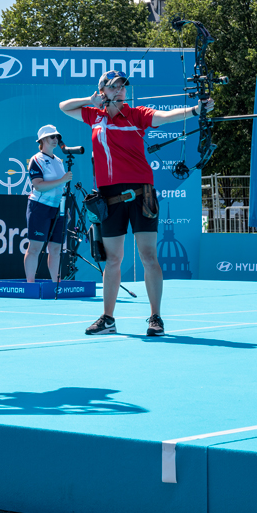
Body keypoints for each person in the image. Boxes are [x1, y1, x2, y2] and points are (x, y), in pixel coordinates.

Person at [60, 70, 212, 336]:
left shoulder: (137, 114)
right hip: (109, 196)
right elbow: (64, 107)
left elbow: (165, 117)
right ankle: (108, 318)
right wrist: (91, 100)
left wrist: (196, 110)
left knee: (148, 256)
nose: (120, 91)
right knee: (113, 259)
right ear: (103, 91)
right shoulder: (93, 115)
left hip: (141, 193)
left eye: (123, 87)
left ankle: (155, 317)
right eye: (114, 87)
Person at [23, 125, 73, 283]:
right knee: (35, 248)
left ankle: (56, 283)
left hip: (58, 209)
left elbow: (61, 188)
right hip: (40, 207)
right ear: (43, 140)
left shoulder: (58, 161)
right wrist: (62, 180)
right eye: (52, 137)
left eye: (57, 137)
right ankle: (30, 284)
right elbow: (38, 185)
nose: (55, 140)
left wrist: (65, 209)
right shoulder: (36, 159)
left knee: (56, 248)